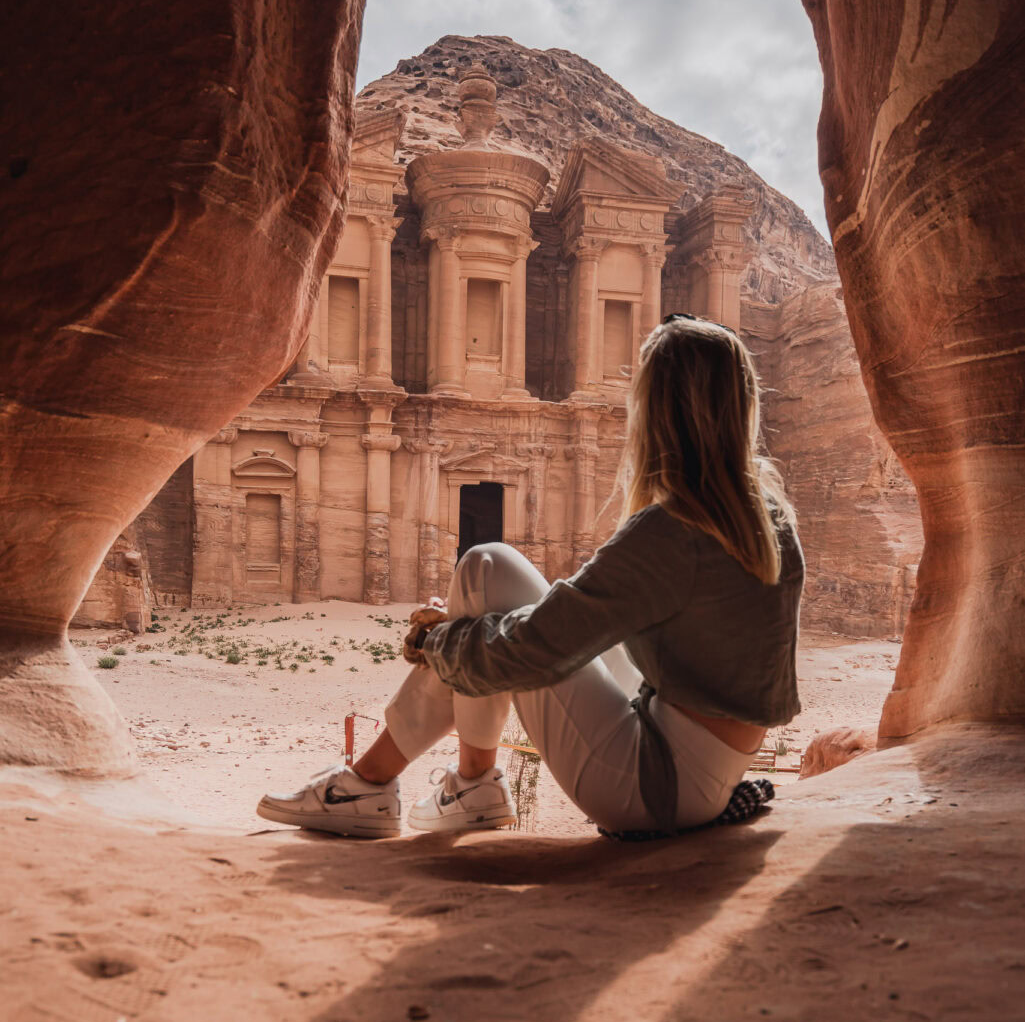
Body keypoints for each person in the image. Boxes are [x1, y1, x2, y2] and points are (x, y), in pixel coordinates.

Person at [257, 314, 804, 840]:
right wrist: (465, 635)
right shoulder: (768, 520)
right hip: (707, 769)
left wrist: (439, 641)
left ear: (661, 412)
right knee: (489, 574)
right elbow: (569, 624)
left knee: (482, 577)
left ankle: (377, 786)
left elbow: (536, 649)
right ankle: (462, 787)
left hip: (653, 787)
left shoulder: (676, 528)